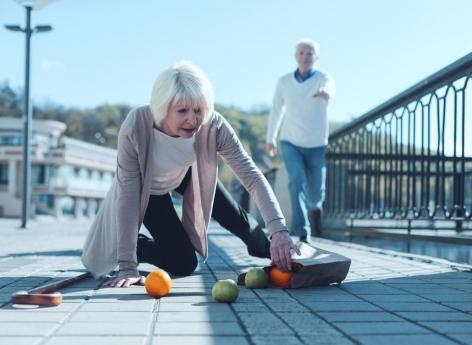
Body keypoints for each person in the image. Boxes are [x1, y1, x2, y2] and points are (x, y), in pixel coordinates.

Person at [81, 61, 300, 287]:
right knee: (183, 263)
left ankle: (275, 251)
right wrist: (128, 265)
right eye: (182, 111)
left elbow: (252, 177)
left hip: (188, 173)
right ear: (162, 107)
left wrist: (279, 230)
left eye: (198, 110)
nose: (193, 120)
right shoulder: (136, 126)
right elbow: (127, 195)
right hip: (148, 188)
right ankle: (136, 246)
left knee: (240, 221)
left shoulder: (213, 124)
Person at [266, 38, 335, 242]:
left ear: (316, 57)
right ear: (296, 56)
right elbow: (276, 111)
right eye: (302, 53)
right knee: (296, 182)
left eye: (310, 53)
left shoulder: (323, 78)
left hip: (316, 143)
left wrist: (326, 93)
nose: (305, 57)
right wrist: (271, 139)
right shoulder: (284, 82)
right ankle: (302, 231)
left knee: (315, 196)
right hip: (290, 141)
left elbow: (330, 88)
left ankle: (315, 209)